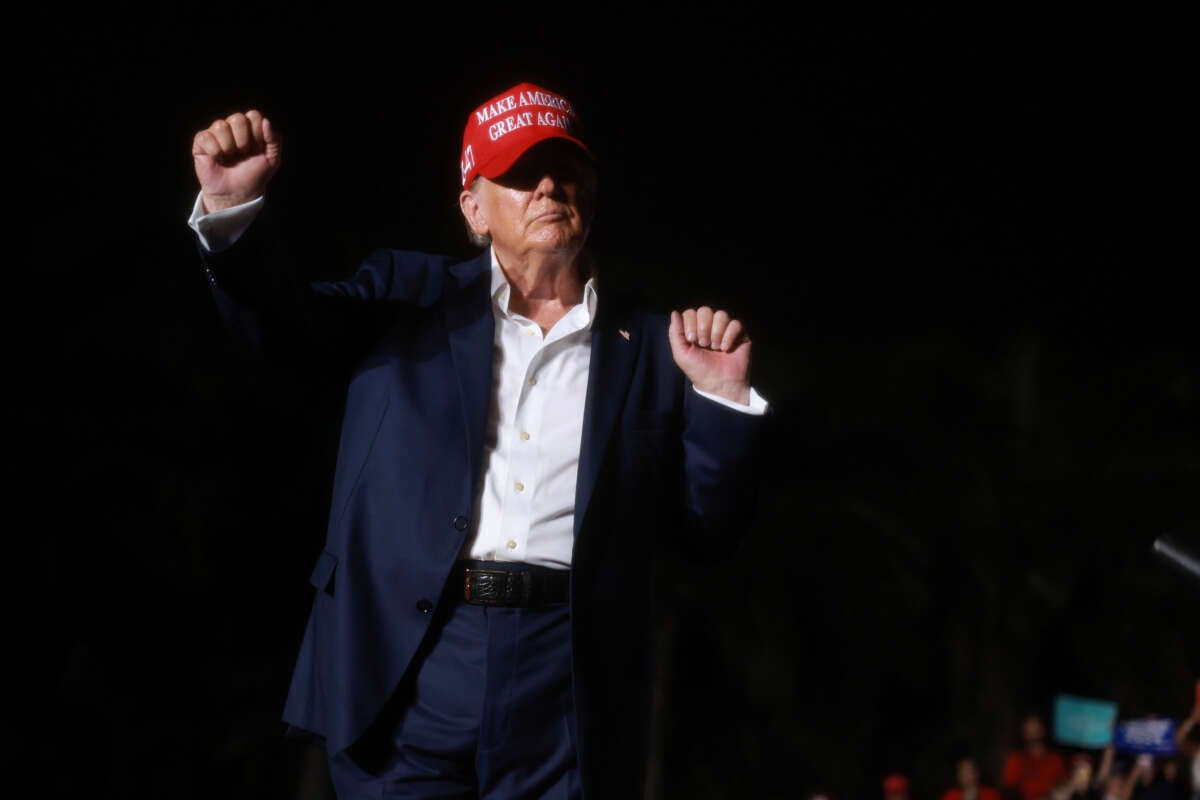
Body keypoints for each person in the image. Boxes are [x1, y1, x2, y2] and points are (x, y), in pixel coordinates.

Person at [186, 78, 768, 799]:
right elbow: (283, 327)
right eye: (521, 172)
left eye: (566, 169)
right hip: (413, 661)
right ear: (473, 208)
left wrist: (721, 400)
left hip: (566, 677)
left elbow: (705, 533)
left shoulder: (653, 345)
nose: (548, 184)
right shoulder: (408, 296)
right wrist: (231, 214)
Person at [1001, 713, 1068, 800]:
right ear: (1024, 733)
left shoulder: (1056, 759)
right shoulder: (1017, 759)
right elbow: (1008, 789)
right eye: (1028, 728)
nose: (1032, 732)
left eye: (1035, 727)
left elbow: (1063, 786)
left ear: (1043, 730)